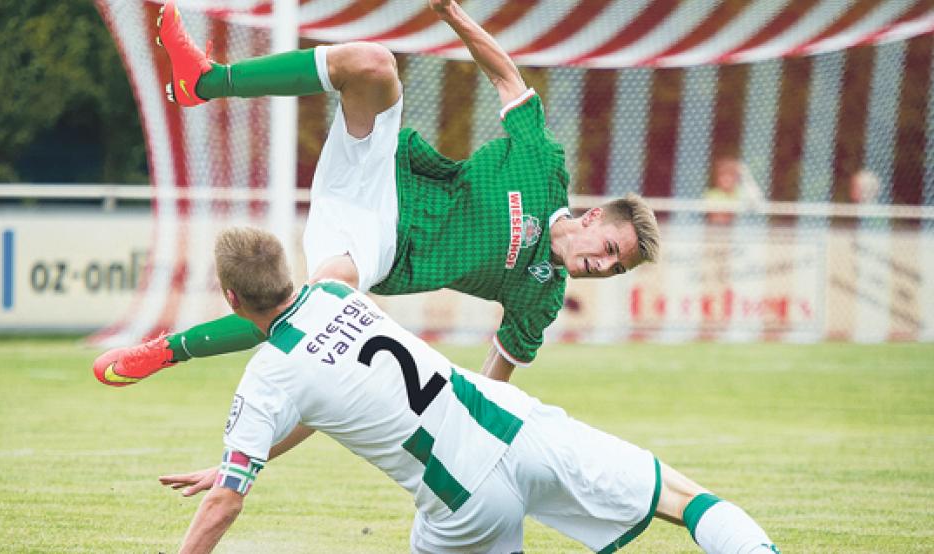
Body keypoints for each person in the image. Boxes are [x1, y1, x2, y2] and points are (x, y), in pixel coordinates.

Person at [93, 0, 660, 386]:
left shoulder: (541, 296)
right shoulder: (544, 164)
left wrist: (470, 432)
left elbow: (497, 377)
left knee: (307, 307)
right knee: (371, 63)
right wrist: (451, 12)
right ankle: (207, 82)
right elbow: (509, 79)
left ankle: (166, 351)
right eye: (610, 250)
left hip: (381, 245)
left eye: (614, 271)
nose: (602, 267)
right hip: (383, 168)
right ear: (592, 218)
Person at [158, 226, 777, 554]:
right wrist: (242, 460)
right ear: (289, 275)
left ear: (231, 298)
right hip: (518, 427)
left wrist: (237, 467)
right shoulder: (337, 293)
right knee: (685, 500)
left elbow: (226, 505)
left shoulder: (269, 375)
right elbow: (333, 399)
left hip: (462, 502)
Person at [703, 157, 762, 225]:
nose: (726, 179)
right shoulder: (712, 194)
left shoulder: (740, 192)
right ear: (717, 178)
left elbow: (757, 202)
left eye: (730, 175)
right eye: (722, 175)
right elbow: (717, 217)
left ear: (736, 178)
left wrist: (745, 175)